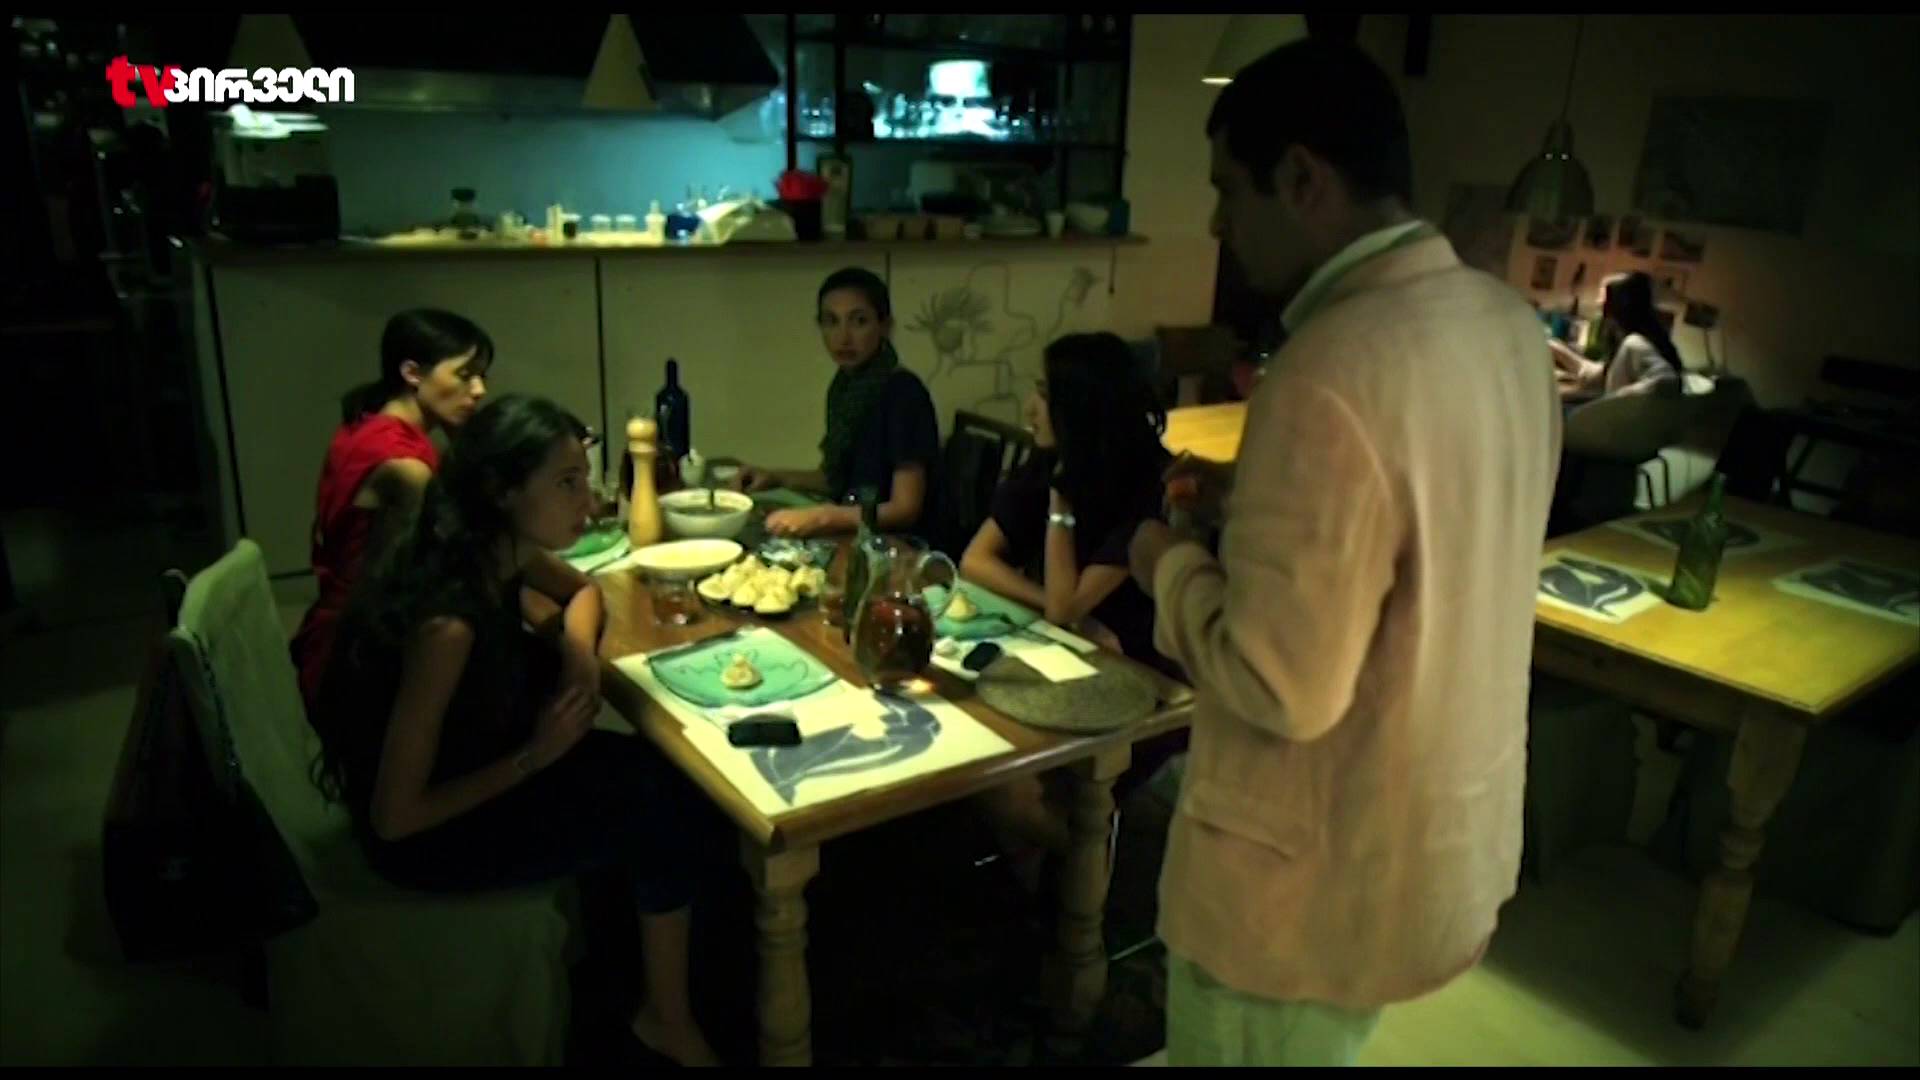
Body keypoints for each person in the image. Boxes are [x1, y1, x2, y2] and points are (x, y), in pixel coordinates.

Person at [1126, 40, 1559, 1067]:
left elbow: (1279, 685)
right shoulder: (1505, 325)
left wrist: (1166, 564)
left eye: (1228, 190)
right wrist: (1256, 511)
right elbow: (1433, 526)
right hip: (1429, 837)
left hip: (1298, 891)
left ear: (1302, 178)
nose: (1219, 224)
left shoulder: (1328, 368)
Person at [311, 395, 719, 1066]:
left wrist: (578, 657)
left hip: (487, 754)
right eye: (567, 483)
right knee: (657, 804)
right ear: (502, 490)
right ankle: (665, 1020)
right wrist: (535, 756)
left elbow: (583, 592)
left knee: (661, 775)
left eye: (583, 479)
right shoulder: (448, 625)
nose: (588, 501)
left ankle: (629, 973)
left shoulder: (497, 546)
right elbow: (394, 818)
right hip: (434, 832)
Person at [960, 331, 1185, 891]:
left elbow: (1065, 604)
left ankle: (1102, 873)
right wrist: (1059, 610)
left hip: (1144, 673)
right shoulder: (1053, 462)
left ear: (1081, 408)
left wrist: (1061, 508)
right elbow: (976, 561)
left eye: (1044, 393)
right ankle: (1038, 881)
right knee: (979, 751)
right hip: (1078, 652)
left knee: (1002, 782)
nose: (1030, 407)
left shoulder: (1147, 483)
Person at [290, 308, 493, 708]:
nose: (480, 390)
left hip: (343, 632)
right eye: (465, 374)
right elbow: (469, 554)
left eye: (483, 375)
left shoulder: (367, 423)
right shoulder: (404, 467)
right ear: (412, 373)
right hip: (356, 661)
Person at [735, 267, 949, 549]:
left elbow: (904, 509)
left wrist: (823, 517)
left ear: (885, 326)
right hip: (857, 534)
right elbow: (837, 479)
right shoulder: (846, 386)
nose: (843, 337)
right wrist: (776, 476)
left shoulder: (902, 392)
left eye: (859, 321)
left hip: (899, 548)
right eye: (831, 322)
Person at [1551, 271, 1684, 404]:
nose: (1597, 302)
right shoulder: (1624, 340)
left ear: (1617, 301)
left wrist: (1614, 399)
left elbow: (1666, 380)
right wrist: (1558, 351)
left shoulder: (1634, 343)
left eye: (1602, 295)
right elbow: (1602, 379)